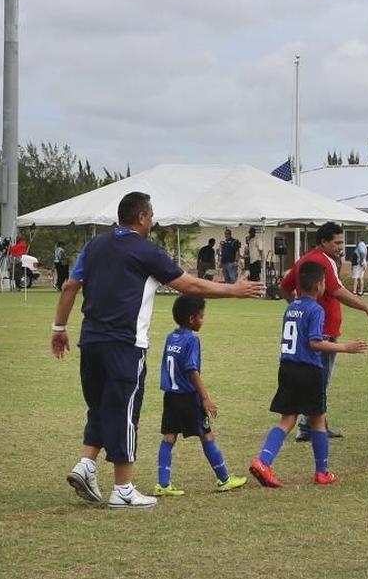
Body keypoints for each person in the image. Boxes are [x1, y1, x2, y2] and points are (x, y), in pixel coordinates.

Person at [51, 191, 263, 509]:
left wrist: (58, 329)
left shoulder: (94, 245)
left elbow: (70, 286)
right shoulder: (145, 250)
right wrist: (233, 290)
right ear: (141, 217)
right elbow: (188, 285)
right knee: (125, 412)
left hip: (90, 340)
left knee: (100, 405)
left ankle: (86, 465)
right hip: (124, 343)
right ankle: (123, 489)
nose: (152, 221)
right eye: (151, 216)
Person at [248, 262, 368, 488]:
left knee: (287, 419)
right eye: (324, 282)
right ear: (318, 285)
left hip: (287, 367)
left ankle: (263, 460)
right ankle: (322, 472)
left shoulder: (291, 307)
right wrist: (345, 347)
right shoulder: (316, 309)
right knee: (318, 419)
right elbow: (314, 342)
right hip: (308, 370)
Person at [281, 222, 368, 441]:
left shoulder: (304, 260)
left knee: (317, 380)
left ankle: (310, 425)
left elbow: (285, 285)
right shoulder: (322, 261)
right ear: (323, 242)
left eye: (342, 241)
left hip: (312, 332)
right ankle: (310, 426)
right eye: (337, 242)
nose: (341, 246)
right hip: (323, 332)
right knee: (321, 381)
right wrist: (367, 307)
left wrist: (296, 308)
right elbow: (338, 291)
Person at [153, 295, 247, 496]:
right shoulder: (192, 340)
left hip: (170, 396)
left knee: (169, 437)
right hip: (188, 397)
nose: (203, 320)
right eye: (201, 317)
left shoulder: (172, 337)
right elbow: (191, 370)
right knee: (206, 435)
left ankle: (163, 484)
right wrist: (205, 398)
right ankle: (224, 479)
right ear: (191, 319)